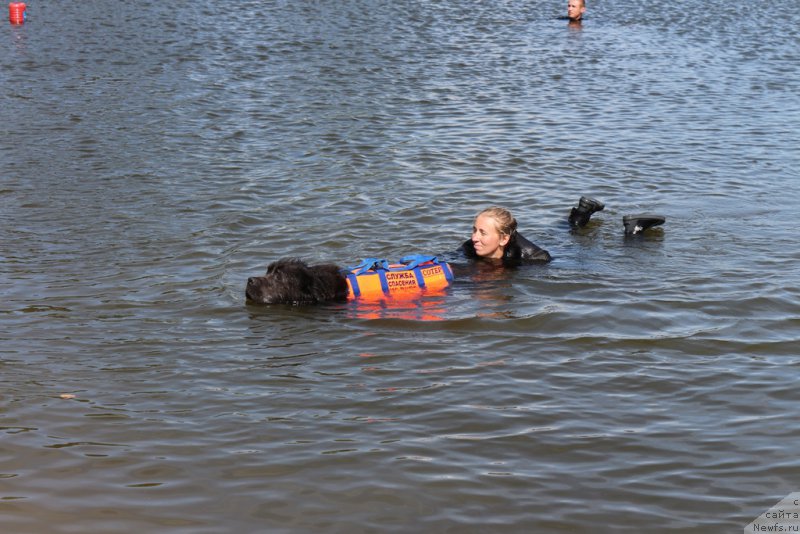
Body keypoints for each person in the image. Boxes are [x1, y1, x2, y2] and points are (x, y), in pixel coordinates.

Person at [460, 207, 552, 264]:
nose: (474, 238)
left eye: (483, 233)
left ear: (503, 239)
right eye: (474, 230)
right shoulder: (469, 247)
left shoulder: (536, 258)